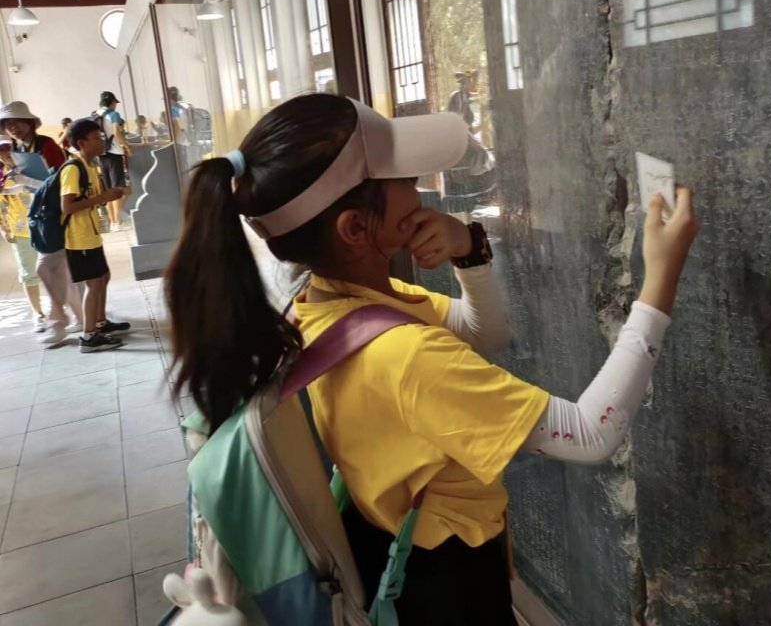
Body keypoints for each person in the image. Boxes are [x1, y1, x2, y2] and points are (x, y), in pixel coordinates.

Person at [165, 94, 699, 624]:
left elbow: (483, 331)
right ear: (354, 228)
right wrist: (661, 279)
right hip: (443, 585)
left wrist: (468, 249)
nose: (419, 188)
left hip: (395, 541)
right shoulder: (405, 355)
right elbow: (590, 434)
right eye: (403, 178)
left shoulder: (328, 302)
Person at [0, 100, 82, 344]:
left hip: (59, 214)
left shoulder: (45, 145)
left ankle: (58, 321)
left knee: (45, 268)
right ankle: (82, 317)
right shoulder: (20, 148)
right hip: (43, 216)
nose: (12, 127)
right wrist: (17, 181)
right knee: (63, 271)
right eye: (7, 124)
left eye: (16, 122)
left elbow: (59, 182)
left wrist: (27, 181)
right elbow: (33, 184)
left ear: (29, 123)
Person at [61, 118, 131, 353]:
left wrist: (110, 195)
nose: (102, 141)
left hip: (90, 234)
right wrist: (102, 198)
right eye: (97, 138)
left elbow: (91, 197)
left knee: (103, 276)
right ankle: (88, 337)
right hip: (78, 237)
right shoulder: (73, 168)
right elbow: (67, 207)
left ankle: (100, 323)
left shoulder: (91, 166)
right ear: (81, 143)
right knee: (93, 283)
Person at [0, 137, 46, 332]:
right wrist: (3, 228)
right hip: (19, 228)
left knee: (57, 268)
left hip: (44, 224)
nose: (6, 153)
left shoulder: (32, 165)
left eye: (9, 148)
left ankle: (65, 307)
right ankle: (38, 314)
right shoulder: (1, 175)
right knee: (28, 273)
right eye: (1, 150)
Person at [95, 91, 131, 231]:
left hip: (101, 154)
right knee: (117, 189)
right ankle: (118, 222)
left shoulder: (95, 114)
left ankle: (113, 221)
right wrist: (126, 146)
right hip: (114, 153)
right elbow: (116, 132)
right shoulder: (113, 114)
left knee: (108, 189)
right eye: (115, 102)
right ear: (112, 102)